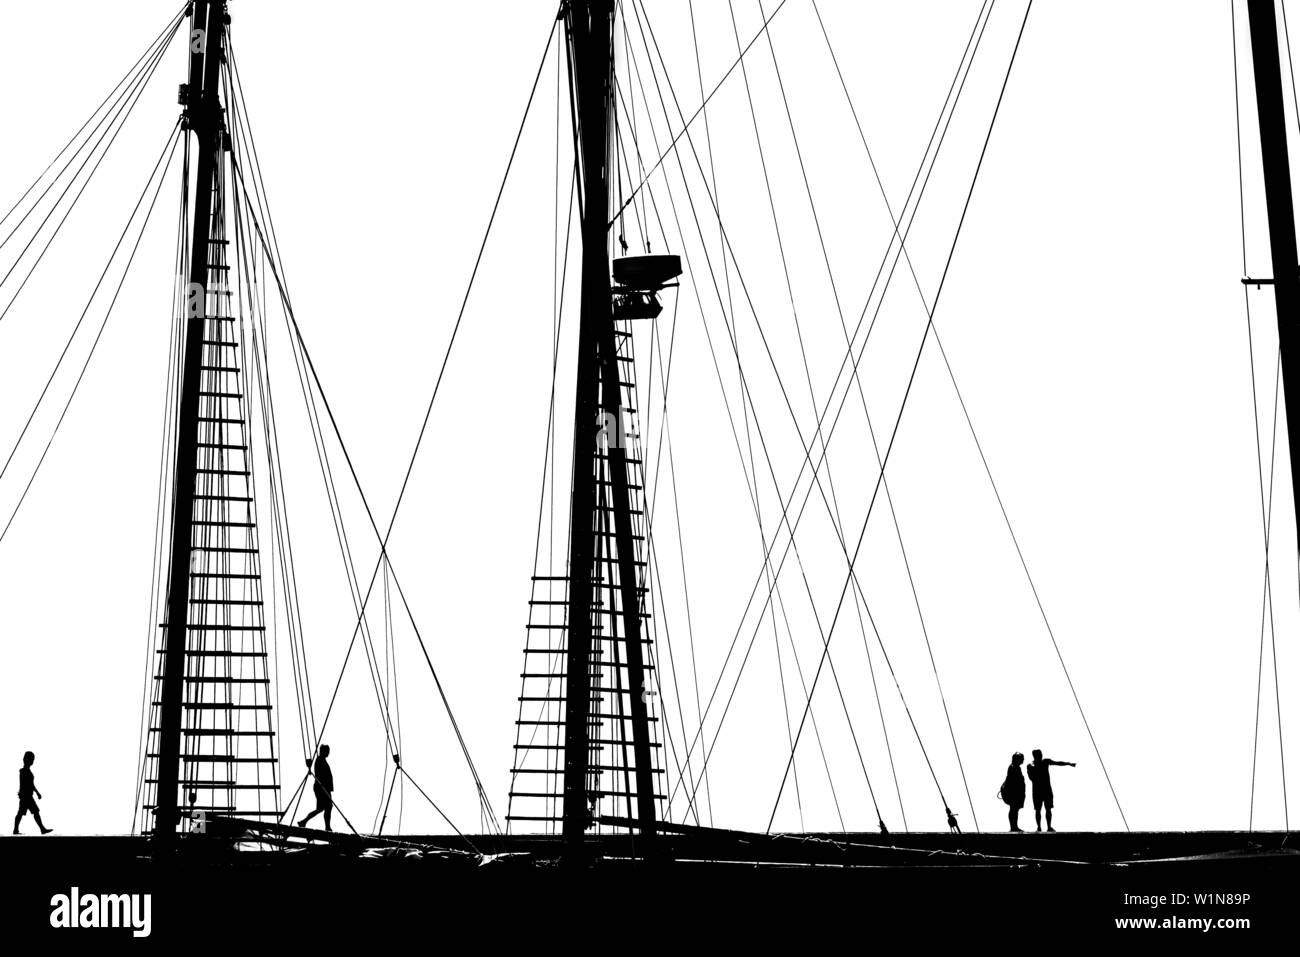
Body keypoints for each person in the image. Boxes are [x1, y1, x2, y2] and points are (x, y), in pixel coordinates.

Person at [1026, 749, 1076, 832]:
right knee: (1038, 809)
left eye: (1041, 754)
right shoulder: (1031, 765)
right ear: (1035, 756)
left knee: (1047, 809)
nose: (1041, 756)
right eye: (1039, 754)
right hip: (1038, 790)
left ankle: (1048, 826)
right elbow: (1031, 778)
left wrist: (1068, 763)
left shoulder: (1045, 761)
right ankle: (1039, 827)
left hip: (1046, 789)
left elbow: (1058, 763)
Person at [14, 751, 52, 835]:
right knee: (31, 812)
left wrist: (37, 793)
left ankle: (16, 830)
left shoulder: (26, 771)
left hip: (26, 796)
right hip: (26, 796)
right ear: (27, 760)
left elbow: (31, 784)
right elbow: (26, 784)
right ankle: (42, 829)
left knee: (26, 812)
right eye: (31, 759)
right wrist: (23, 793)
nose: (32, 761)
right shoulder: (24, 771)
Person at [297, 745, 334, 832]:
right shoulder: (320, 760)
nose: (328, 753)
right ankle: (327, 827)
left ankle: (304, 821)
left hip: (323, 788)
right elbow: (321, 775)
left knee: (322, 808)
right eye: (327, 751)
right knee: (327, 807)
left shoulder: (322, 760)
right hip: (321, 788)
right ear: (323, 751)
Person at [1000, 751, 1026, 832]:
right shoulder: (1013, 767)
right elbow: (1013, 782)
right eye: (1021, 758)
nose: (1023, 760)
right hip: (1014, 793)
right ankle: (1013, 827)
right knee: (1013, 809)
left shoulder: (1016, 767)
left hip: (1016, 793)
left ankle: (1014, 826)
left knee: (1015, 810)